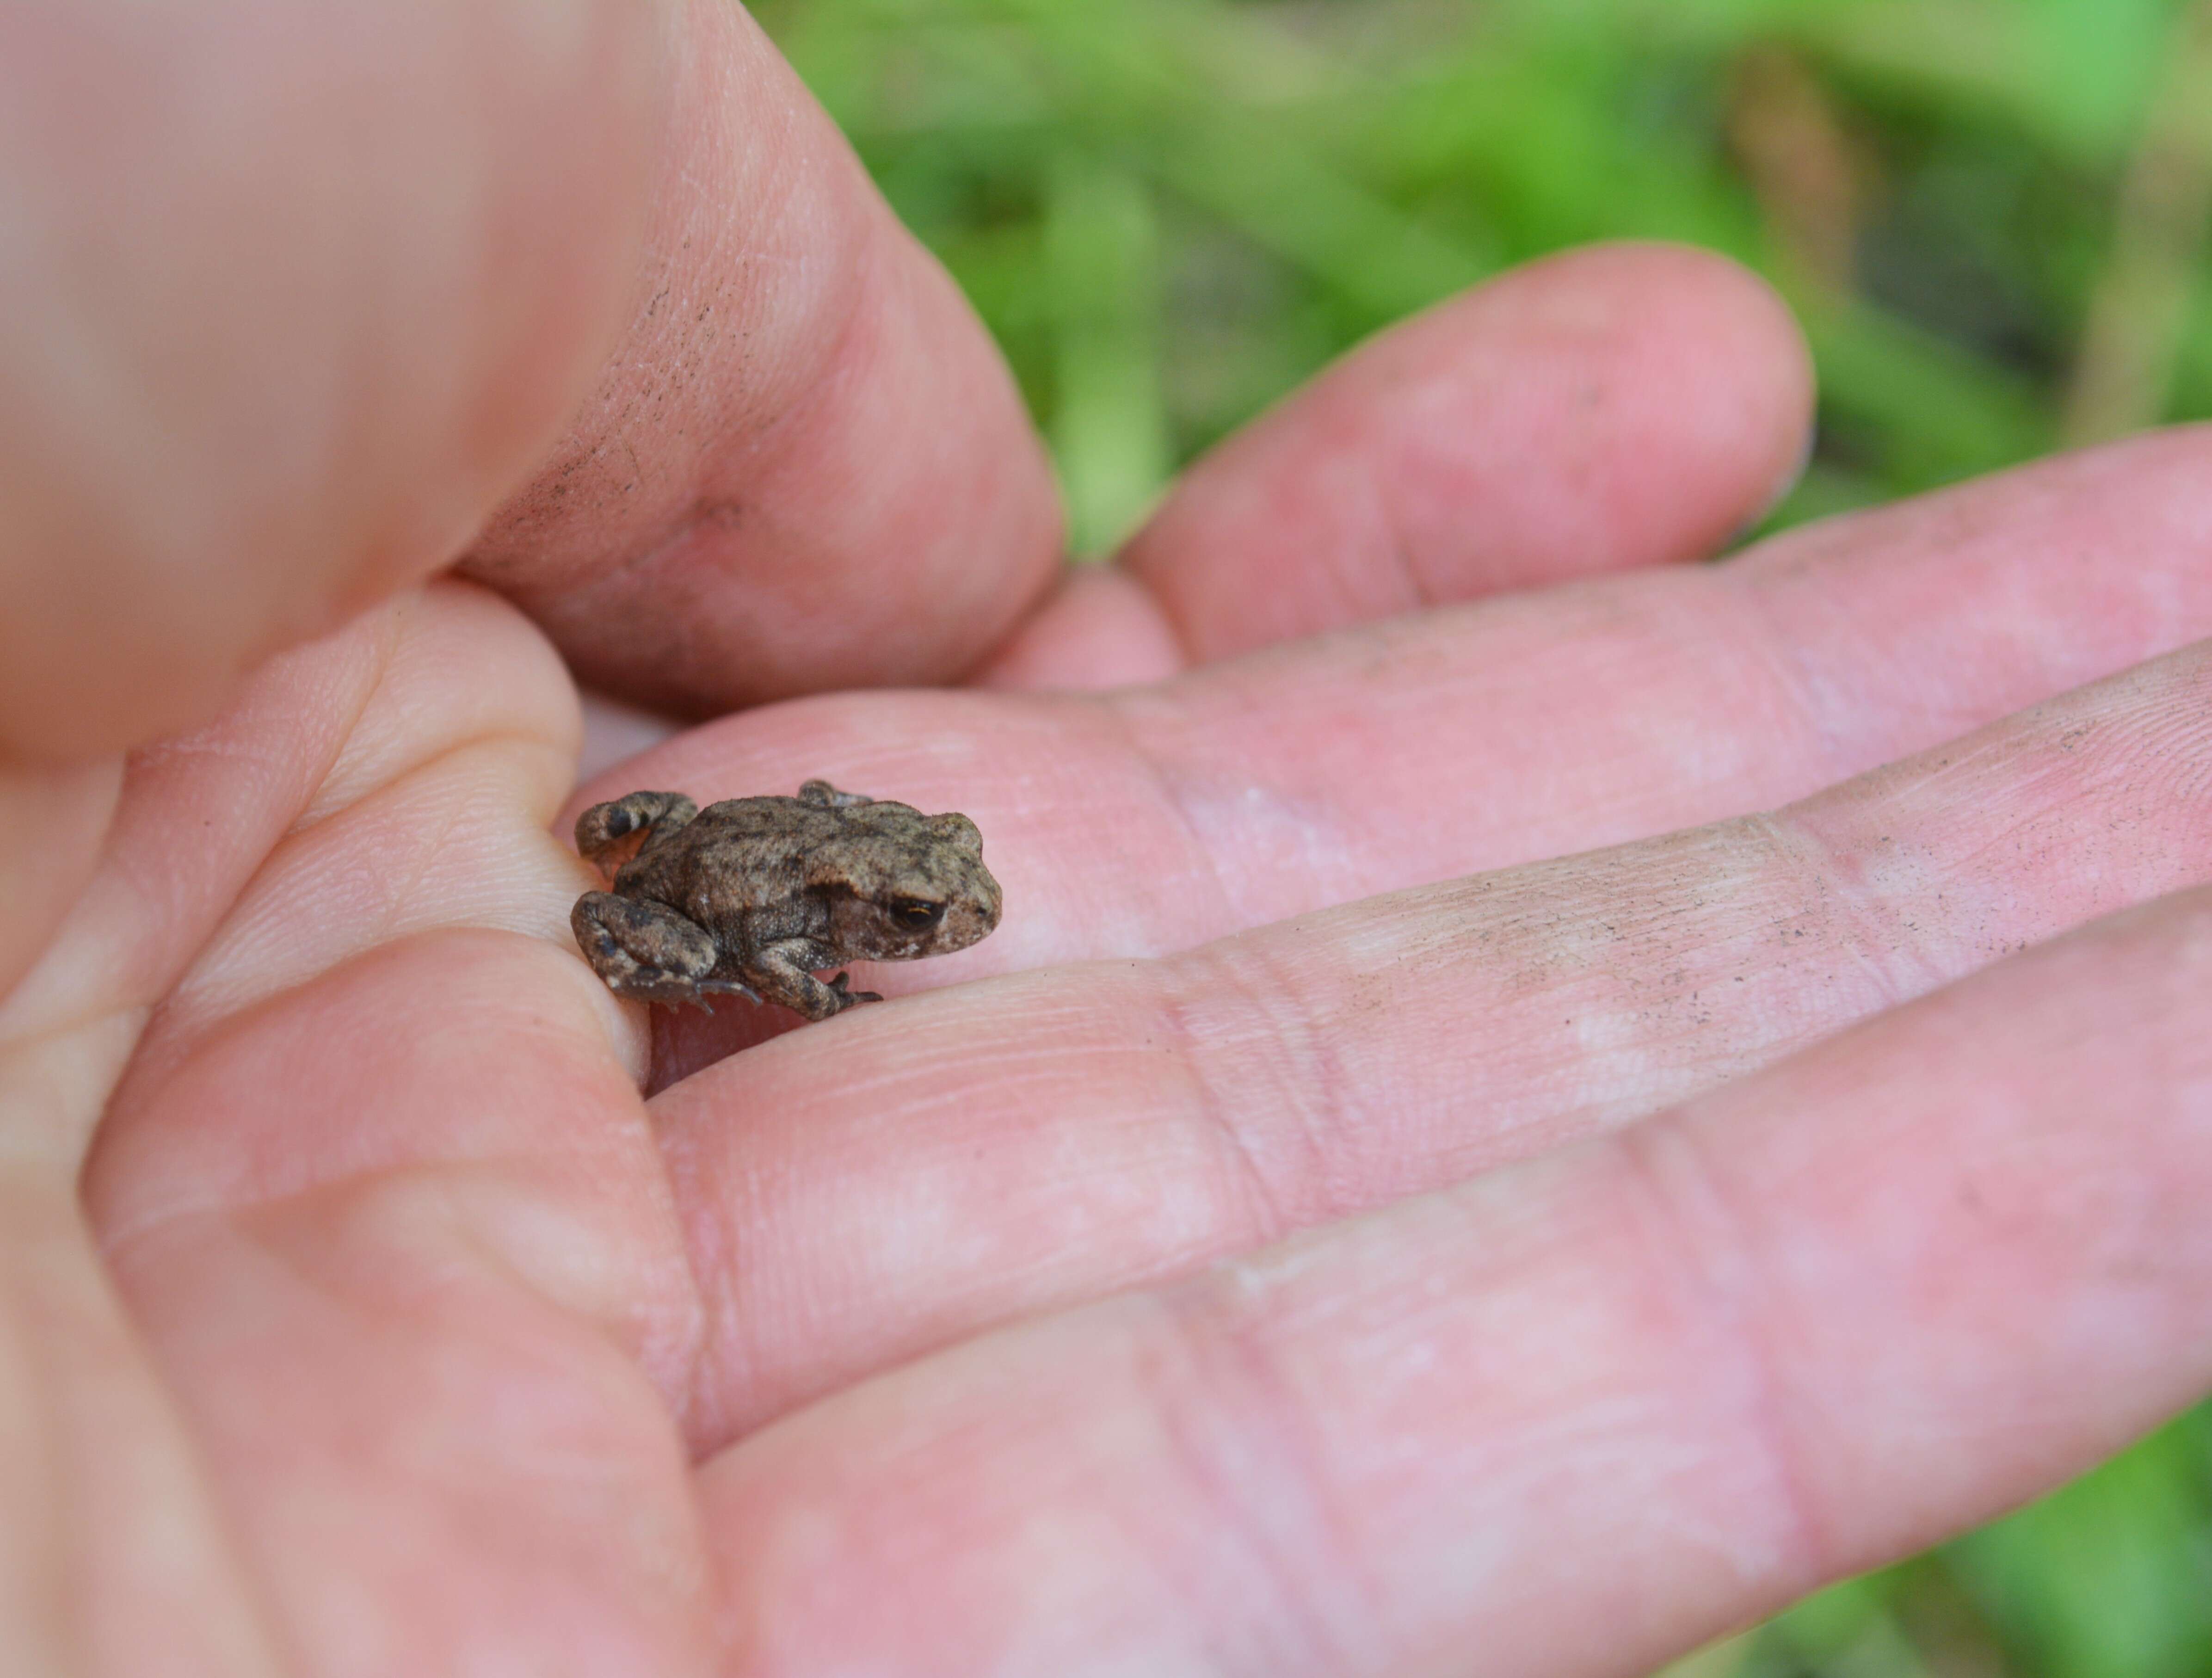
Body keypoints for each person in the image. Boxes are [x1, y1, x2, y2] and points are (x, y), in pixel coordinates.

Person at [4, 4, 2208, 1673]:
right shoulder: (788, 915)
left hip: (667, 815)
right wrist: (801, 967)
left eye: (920, 894)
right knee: (667, 914)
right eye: (911, 908)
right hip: (674, 874)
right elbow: (710, 902)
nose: (928, 921)